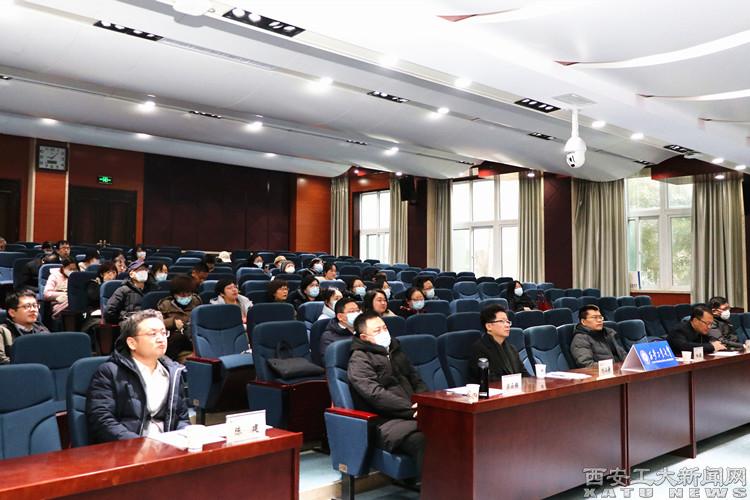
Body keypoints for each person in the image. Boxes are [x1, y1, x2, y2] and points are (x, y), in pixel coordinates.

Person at [86, 309, 189, 443]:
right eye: (152, 334)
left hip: (168, 446)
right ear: (132, 343)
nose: (161, 339)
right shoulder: (110, 372)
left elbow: (182, 417)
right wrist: (138, 444)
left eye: (164, 333)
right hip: (128, 447)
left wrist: (185, 434)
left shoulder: (174, 372)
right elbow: (102, 420)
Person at [348, 311, 426, 472]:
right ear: (364, 337)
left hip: (414, 413)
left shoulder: (395, 351)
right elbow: (375, 394)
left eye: (384, 328)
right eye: (377, 331)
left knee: (451, 430)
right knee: (423, 440)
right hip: (386, 422)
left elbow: (416, 379)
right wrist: (412, 409)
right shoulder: (359, 359)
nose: (384, 332)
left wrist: (426, 403)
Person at [469, 304, 526, 383]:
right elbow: (488, 379)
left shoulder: (511, 348)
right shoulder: (479, 349)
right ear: (489, 326)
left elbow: (524, 374)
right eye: (502, 321)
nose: (507, 325)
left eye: (508, 322)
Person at [156, 275, 200, 362]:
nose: (186, 296)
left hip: (194, 337)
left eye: (189, 293)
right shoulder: (165, 305)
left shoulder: (196, 302)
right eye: (182, 294)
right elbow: (156, 323)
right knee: (177, 337)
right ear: (174, 294)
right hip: (175, 337)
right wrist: (172, 323)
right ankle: (167, 363)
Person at [0, 290, 49, 364]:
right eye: (27, 306)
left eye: (35, 306)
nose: (33, 310)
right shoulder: (3, 331)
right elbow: (2, 361)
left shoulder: (42, 330)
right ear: (12, 312)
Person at [318, 297, 360, 365]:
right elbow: (330, 362)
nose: (357, 314)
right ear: (340, 316)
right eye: (352, 311)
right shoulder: (329, 337)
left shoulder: (364, 330)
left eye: (358, 311)